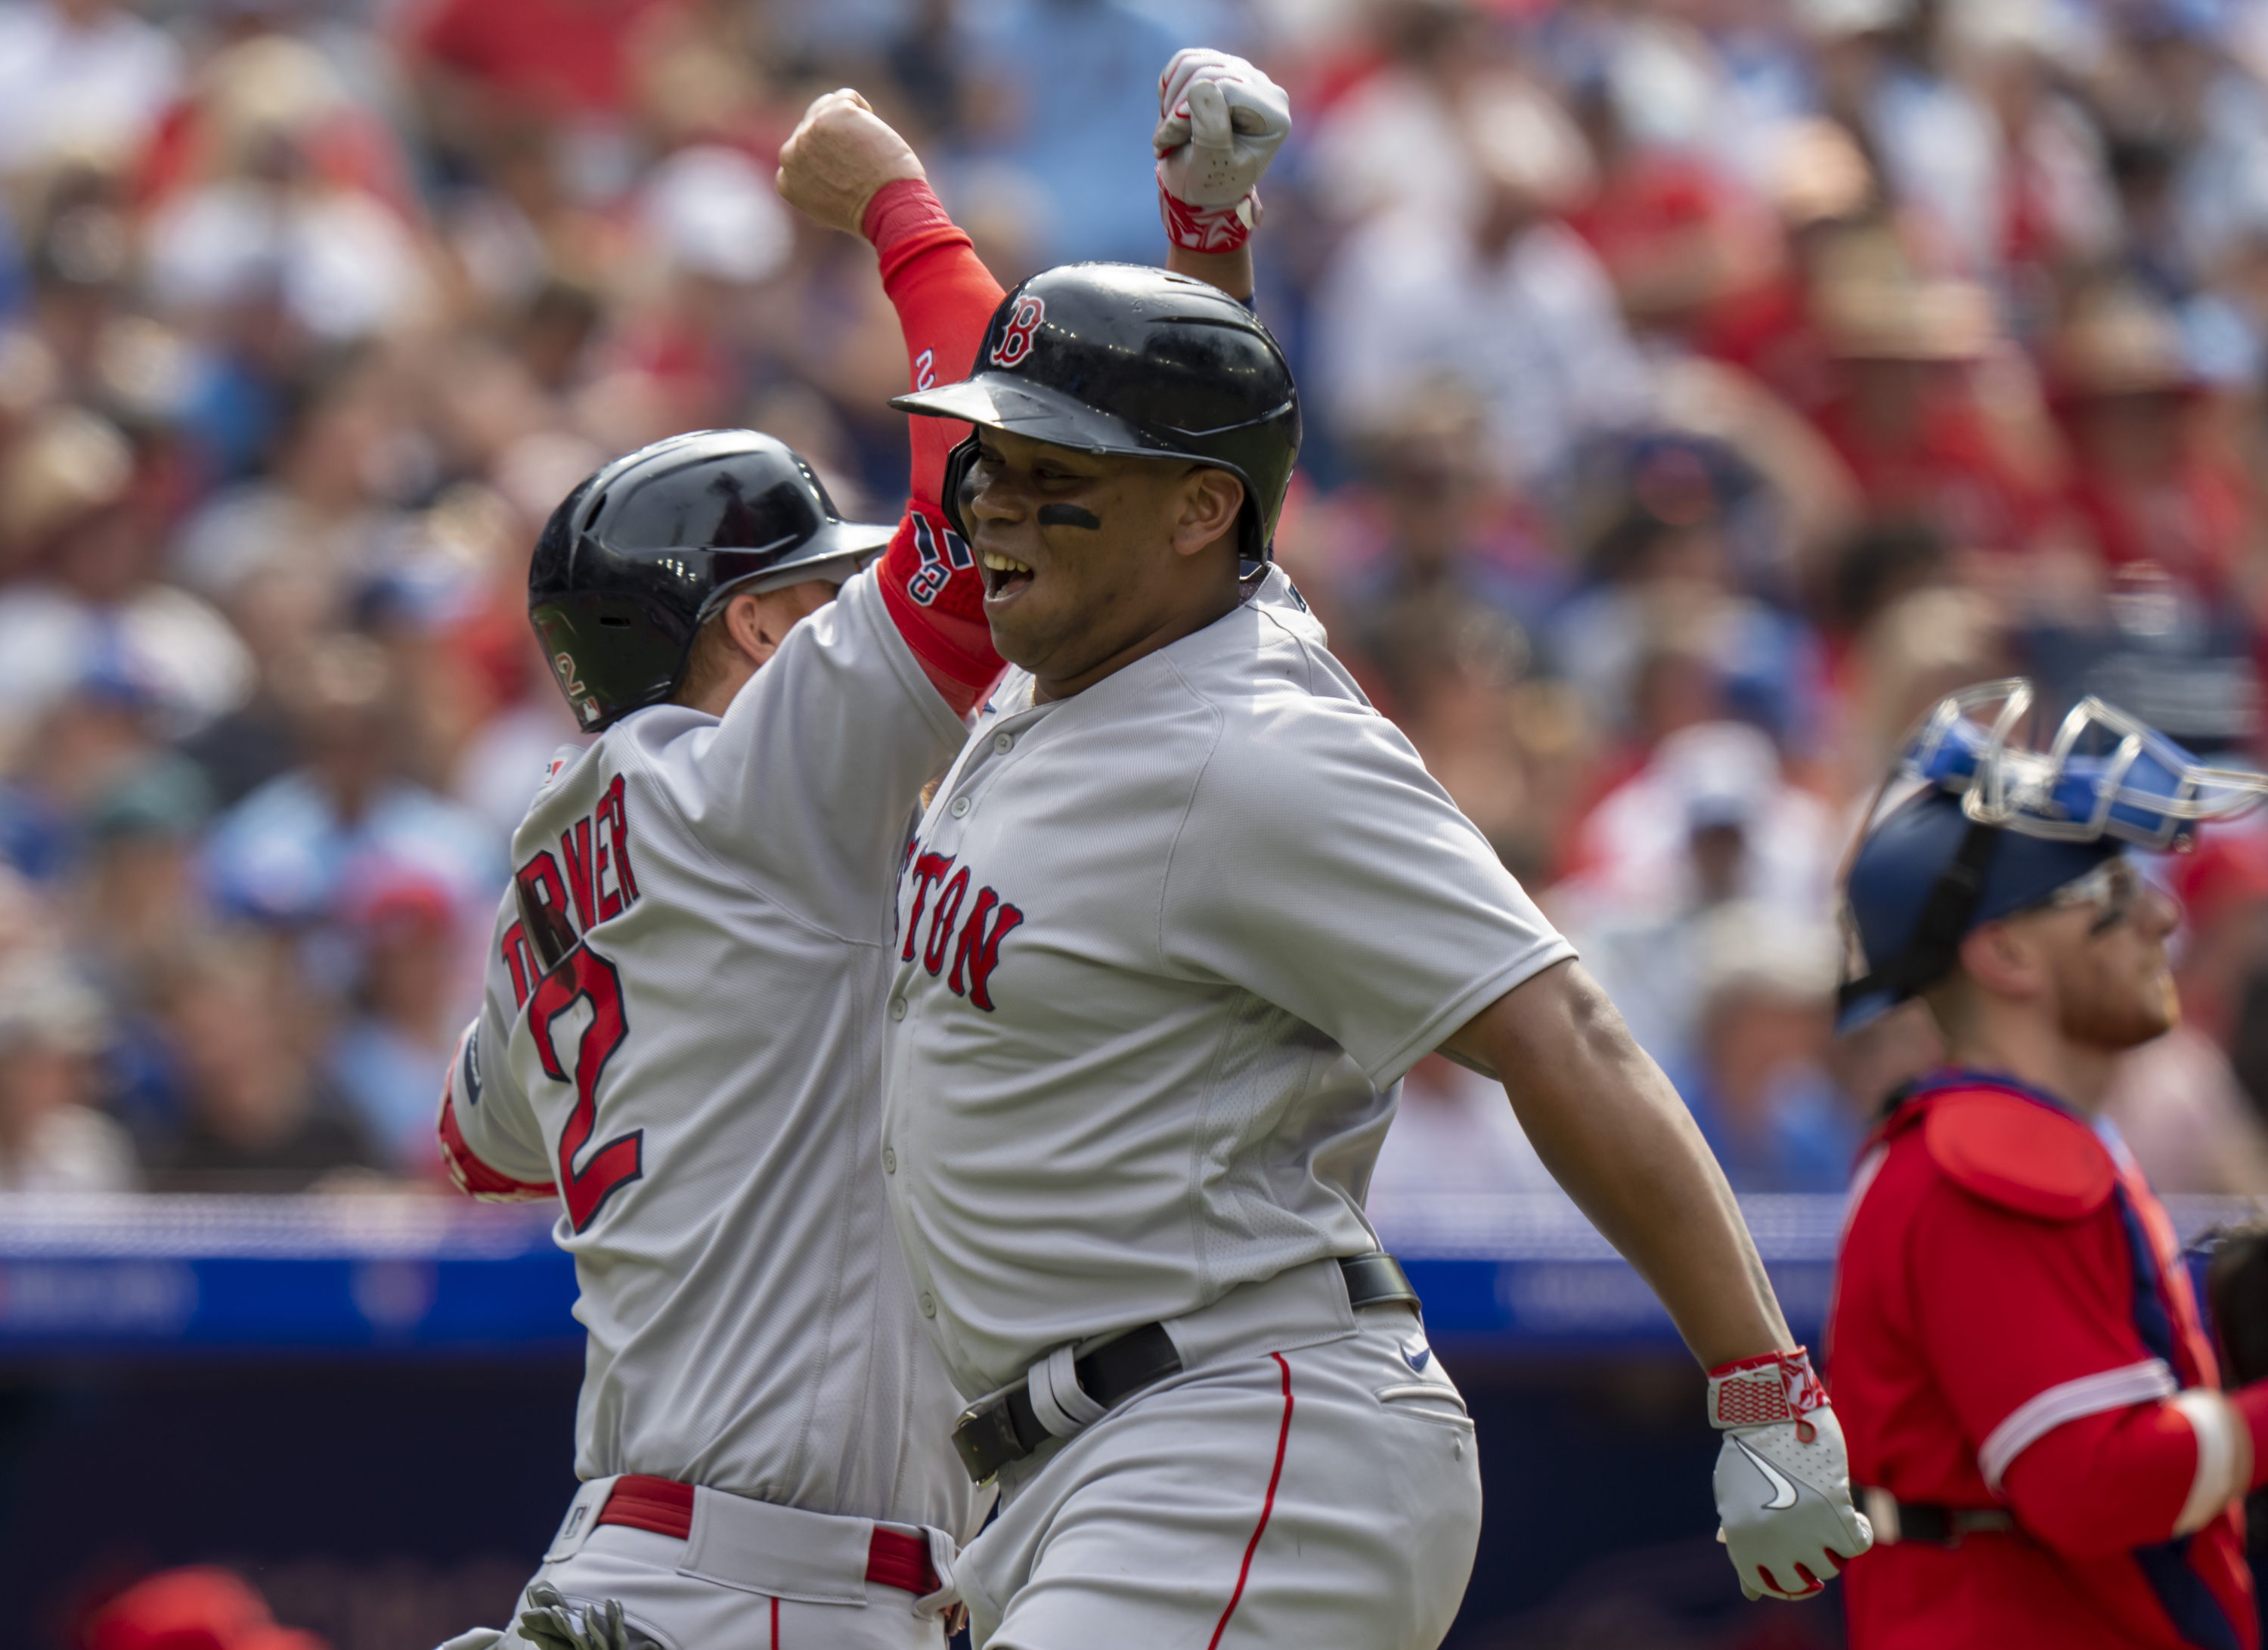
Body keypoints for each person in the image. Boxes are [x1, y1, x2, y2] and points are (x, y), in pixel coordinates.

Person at [872, 50, 1870, 1650]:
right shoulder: (1123, 636)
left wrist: (1757, 1373)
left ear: (1189, 515)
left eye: (1049, 474)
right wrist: (1208, 241)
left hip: (1237, 1432)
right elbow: (1229, 485)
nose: (992, 502)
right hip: (1089, 1454)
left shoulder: (1262, 753)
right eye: (989, 457)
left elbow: (1563, 1026)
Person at [431, 68, 1281, 1650]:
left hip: (663, 1554)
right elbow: (983, 513)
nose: (846, 614)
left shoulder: (562, 869)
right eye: (815, 594)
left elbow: (480, 1142)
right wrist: (902, 206)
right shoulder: (751, 782)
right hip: (770, 1584)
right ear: (750, 622)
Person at [1829, 679, 2268, 1648]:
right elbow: (2090, 1483)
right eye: (2113, 893)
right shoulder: (1985, 1156)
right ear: (2006, 954)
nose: (2161, 921)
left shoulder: (2018, 1138)